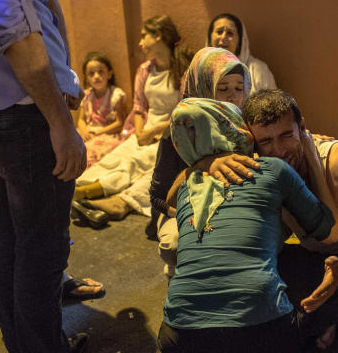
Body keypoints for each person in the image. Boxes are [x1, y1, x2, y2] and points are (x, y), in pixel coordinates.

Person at [206, 89, 338, 349]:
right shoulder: (261, 169)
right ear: (253, 143)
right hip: (314, 266)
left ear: (302, 127)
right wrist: (207, 164)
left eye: (286, 135)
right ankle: (319, 321)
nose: (279, 150)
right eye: (266, 141)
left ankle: (300, 326)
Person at [0, 0, 88, 351]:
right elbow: (19, 39)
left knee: (8, 238)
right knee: (40, 247)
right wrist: (60, 122)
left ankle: (25, 343)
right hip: (28, 114)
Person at [156, 97, 338, 353]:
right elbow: (329, 233)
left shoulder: (186, 186)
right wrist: (310, 154)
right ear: (238, 131)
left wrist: (199, 165)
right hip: (261, 330)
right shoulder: (272, 169)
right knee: (320, 273)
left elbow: (168, 200)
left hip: (177, 334)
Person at [73, 15, 193, 222]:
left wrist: (153, 132)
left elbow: (185, 109)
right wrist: (140, 132)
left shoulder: (184, 68)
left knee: (140, 161)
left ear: (159, 36)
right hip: (145, 129)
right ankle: (81, 188)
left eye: (144, 36)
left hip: (172, 132)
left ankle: (99, 194)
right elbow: (139, 106)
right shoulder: (145, 70)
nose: (140, 42)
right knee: (118, 156)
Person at [148, 47, 256, 271]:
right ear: (202, 87)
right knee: (178, 243)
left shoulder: (248, 124)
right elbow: (157, 199)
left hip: (237, 203)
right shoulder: (181, 127)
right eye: (223, 88)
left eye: (239, 88)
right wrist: (201, 168)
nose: (233, 97)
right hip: (183, 207)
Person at [76, 51, 126, 168]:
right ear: (87, 78)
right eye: (91, 74)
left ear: (109, 74)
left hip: (106, 133)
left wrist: (98, 133)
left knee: (91, 153)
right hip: (88, 132)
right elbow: (81, 120)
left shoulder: (115, 95)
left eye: (100, 72)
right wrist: (84, 132)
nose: (96, 76)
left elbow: (120, 122)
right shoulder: (86, 95)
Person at [207, 13, 277, 94]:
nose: (223, 37)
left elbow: (272, 105)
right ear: (210, 38)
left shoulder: (257, 70)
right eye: (219, 32)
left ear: (240, 41)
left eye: (230, 33)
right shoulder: (199, 70)